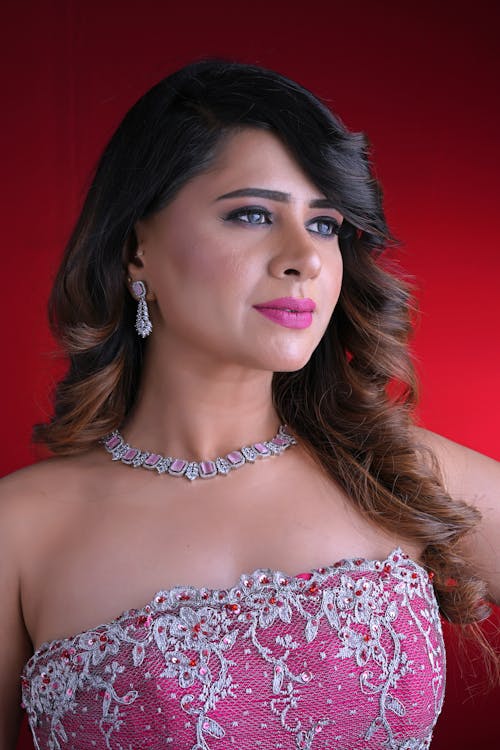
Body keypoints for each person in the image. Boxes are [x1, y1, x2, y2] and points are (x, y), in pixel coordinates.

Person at [1, 59, 498, 750]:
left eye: (325, 224)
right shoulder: (20, 533)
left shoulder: (397, 470)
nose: (306, 258)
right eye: (253, 214)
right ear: (136, 248)